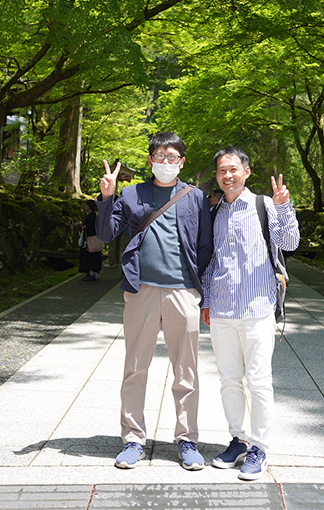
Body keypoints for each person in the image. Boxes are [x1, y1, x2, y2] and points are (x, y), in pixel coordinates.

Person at [96, 132, 213, 471]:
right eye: (159, 156)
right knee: (135, 367)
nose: (165, 162)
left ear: (182, 161)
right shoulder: (132, 194)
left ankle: (187, 439)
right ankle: (132, 438)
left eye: (172, 156)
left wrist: (194, 288)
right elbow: (105, 234)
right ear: (150, 160)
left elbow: (205, 246)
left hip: (182, 292)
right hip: (142, 291)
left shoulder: (195, 197)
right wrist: (106, 197)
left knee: (186, 370)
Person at [201, 147, 300, 481]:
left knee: (258, 380)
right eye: (221, 171)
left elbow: (291, 242)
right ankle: (238, 439)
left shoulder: (265, 205)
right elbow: (212, 260)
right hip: (222, 309)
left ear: (246, 170)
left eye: (232, 169)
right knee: (229, 379)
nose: (227, 176)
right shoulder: (215, 211)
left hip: (258, 307)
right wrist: (206, 301)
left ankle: (260, 447)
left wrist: (284, 205)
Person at [78, 200, 102, 281]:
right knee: (93, 256)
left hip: (89, 240)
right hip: (94, 238)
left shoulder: (91, 216)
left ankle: (91, 272)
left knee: (89, 256)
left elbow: (90, 227)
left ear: (88, 206)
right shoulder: (94, 216)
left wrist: (84, 227)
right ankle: (92, 272)